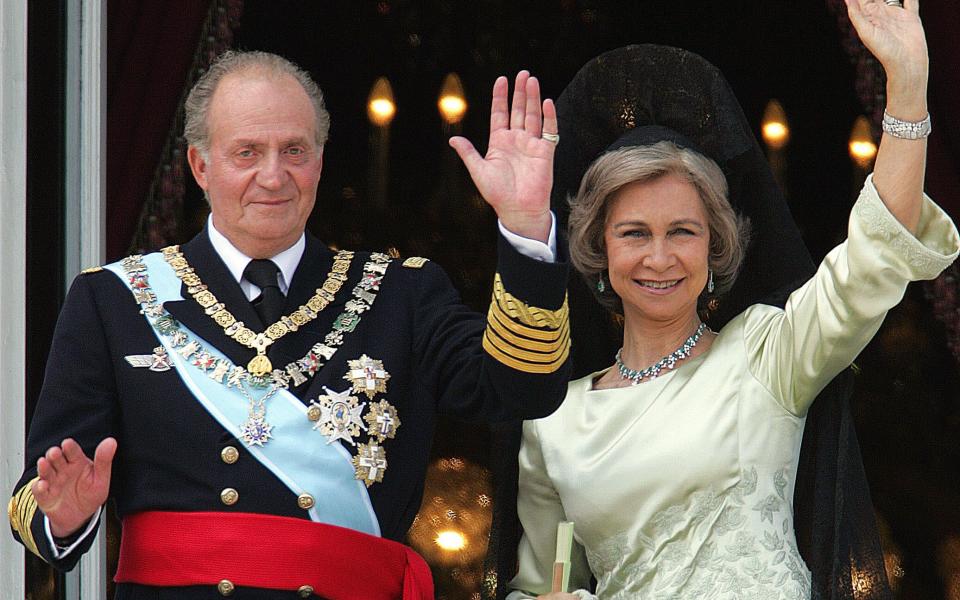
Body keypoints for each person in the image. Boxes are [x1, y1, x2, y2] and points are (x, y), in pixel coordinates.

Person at [8, 50, 572, 599]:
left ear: (321, 162)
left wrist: (524, 232)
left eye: (294, 151)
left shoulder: (401, 293)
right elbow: (37, 500)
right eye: (247, 153)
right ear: (200, 166)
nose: (274, 176)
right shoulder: (114, 301)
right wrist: (66, 514)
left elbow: (521, 389)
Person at [505, 1, 960, 598]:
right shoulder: (554, 421)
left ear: (716, 246)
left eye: (683, 232)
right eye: (634, 233)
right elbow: (535, 584)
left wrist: (907, 87)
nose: (660, 257)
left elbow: (876, 255)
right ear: (598, 248)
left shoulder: (766, 356)